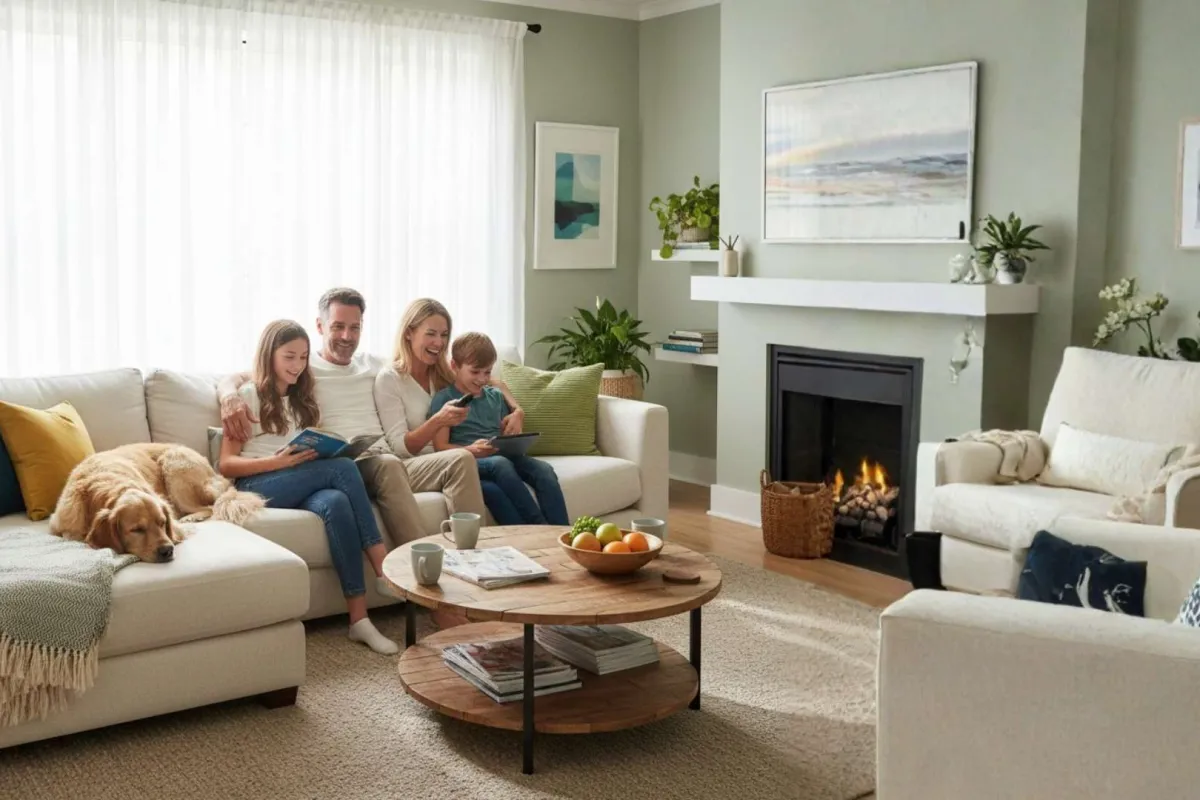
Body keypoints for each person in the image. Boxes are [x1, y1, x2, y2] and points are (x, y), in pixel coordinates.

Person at [218, 288, 497, 545]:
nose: (346, 336)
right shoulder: (303, 366)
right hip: (354, 465)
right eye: (338, 327)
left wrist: (513, 406)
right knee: (387, 464)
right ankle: (419, 564)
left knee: (460, 458)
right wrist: (229, 394)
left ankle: (477, 557)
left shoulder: (373, 365)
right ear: (320, 326)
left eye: (354, 328)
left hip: (393, 461)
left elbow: (477, 377)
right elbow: (252, 373)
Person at [217, 320, 399, 655]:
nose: (298, 365)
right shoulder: (248, 396)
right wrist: (278, 462)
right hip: (258, 482)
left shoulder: (302, 398)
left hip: (297, 479)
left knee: (336, 501)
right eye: (289, 357)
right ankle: (384, 568)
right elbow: (226, 465)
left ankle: (359, 620)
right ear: (269, 355)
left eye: (302, 357)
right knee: (343, 469)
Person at [372, 298, 527, 522]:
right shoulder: (390, 379)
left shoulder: (443, 372)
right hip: (418, 462)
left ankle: (525, 541)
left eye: (444, 335)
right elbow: (400, 448)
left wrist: (518, 410)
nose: (439, 343)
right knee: (485, 468)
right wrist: (438, 420)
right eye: (431, 333)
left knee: (493, 490)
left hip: (453, 455)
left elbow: (490, 382)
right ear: (409, 333)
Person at [428, 332, 569, 526]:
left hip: (500, 457)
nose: (482, 379)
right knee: (499, 468)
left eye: (487, 372)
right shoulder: (445, 400)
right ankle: (540, 526)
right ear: (455, 366)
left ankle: (562, 532)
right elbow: (440, 447)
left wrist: (513, 436)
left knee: (544, 470)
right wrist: (471, 450)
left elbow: (506, 431)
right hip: (471, 460)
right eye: (475, 372)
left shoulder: (494, 396)